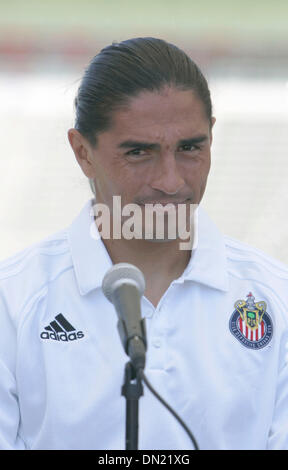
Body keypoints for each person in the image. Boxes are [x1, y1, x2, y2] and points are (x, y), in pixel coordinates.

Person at [0, 37, 288, 451]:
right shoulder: (12, 303)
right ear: (83, 152)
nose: (171, 181)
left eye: (190, 148)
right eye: (139, 152)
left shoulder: (276, 297)